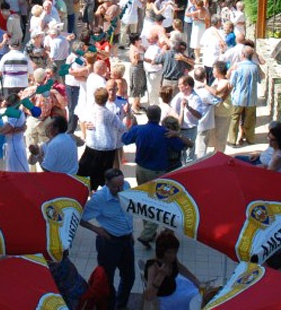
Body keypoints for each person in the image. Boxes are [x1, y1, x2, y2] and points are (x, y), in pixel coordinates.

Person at [121, 105, 185, 248]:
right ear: (159, 116)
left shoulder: (139, 130)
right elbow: (180, 146)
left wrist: (130, 128)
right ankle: (147, 234)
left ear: (148, 116)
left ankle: (148, 231)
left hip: (140, 170)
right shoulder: (165, 133)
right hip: (158, 173)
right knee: (159, 204)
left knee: (145, 201)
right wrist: (177, 134)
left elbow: (124, 139)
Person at [80, 168, 135, 310]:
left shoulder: (126, 186)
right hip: (109, 243)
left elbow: (128, 212)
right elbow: (80, 217)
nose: (120, 188)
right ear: (107, 184)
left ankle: (121, 305)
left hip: (126, 240)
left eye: (121, 184)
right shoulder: (99, 199)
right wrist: (97, 229)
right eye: (116, 186)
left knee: (129, 277)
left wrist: (130, 232)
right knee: (106, 279)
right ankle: (109, 306)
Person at [78, 87, 127, 191]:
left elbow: (80, 119)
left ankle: (91, 192)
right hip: (107, 148)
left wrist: (86, 124)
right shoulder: (110, 115)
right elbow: (122, 128)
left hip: (92, 147)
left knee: (89, 173)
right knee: (105, 175)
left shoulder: (89, 111)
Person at [143, 230, 201, 309]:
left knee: (199, 292)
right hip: (165, 299)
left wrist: (194, 279)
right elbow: (148, 296)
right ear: (161, 251)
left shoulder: (171, 258)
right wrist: (160, 276)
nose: (173, 255)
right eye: (169, 252)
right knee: (196, 300)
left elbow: (179, 267)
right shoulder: (153, 267)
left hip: (176, 286)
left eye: (175, 252)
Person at [228, 46, 263, 146]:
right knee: (250, 120)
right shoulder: (255, 67)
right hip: (251, 99)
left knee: (234, 119)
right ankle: (250, 139)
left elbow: (232, 83)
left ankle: (232, 140)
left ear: (242, 55)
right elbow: (259, 80)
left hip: (238, 98)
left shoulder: (237, 66)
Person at [169, 77, 202, 165]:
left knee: (189, 156)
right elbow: (172, 108)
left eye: (180, 84)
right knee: (179, 155)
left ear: (187, 86)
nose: (178, 86)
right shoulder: (179, 95)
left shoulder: (196, 98)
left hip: (190, 130)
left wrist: (188, 108)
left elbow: (199, 115)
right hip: (179, 129)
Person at [2, 93, 28, 172]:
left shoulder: (14, 115)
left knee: (16, 171)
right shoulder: (20, 112)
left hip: (14, 147)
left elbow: (3, 131)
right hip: (18, 144)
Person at [127, 34, 147, 115]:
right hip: (136, 69)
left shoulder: (140, 46)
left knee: (141, 84)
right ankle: (134, 106)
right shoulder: (133, 49)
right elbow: (133, 62)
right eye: (139, 39)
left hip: (141, 68)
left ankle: (138, 103)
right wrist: (136, 57)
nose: (141, 39)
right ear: (135, 41)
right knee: (136, 86)